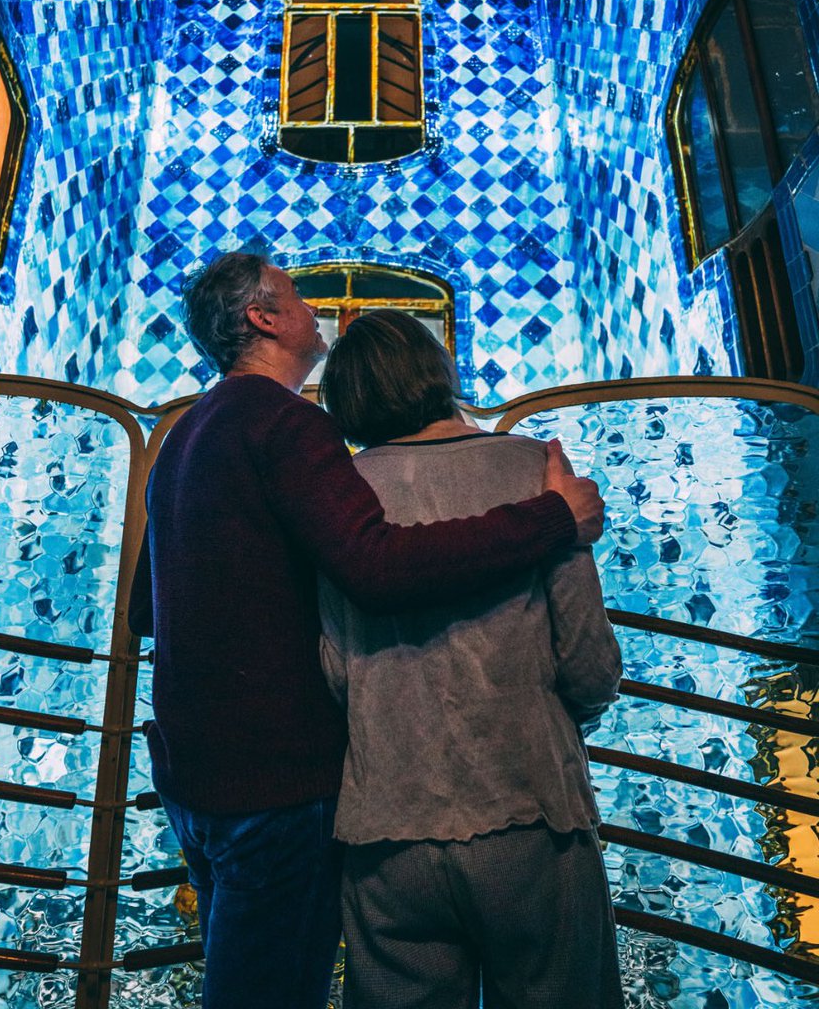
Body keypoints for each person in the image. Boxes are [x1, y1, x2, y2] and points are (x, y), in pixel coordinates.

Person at [128, 252, 606, 1009]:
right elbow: (376, 566)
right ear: (263, 317)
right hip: (276, 785)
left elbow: (142, 612)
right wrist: (553, 517)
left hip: (194, 780)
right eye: (292, 293)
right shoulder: (287, 423)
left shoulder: (181, 437)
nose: (309, 306)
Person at [318, 309, 624, 1009]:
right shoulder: (531, 471)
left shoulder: (340, 494)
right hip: (529, 810)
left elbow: (334, 670)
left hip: (386, 830)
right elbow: (588, 661)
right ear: (437, 370)